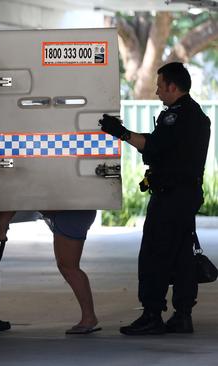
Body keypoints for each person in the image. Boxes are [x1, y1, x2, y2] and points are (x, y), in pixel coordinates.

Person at [100, 62, 211, 335]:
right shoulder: (197, 115)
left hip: (170, 198)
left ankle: (152, 314)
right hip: (186, 196)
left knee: (155, 254)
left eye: (160, 86)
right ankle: (183, 315)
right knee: (182, 255)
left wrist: (122, 133)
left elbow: (154, 146)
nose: (157, 91)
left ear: (173, 86)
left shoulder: (176, 116)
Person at [0, 210, 100, 334]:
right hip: (68, 212)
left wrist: (2, 222)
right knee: (68, 266)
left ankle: (89, 317)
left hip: (70, 213)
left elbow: (24, 193)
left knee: (69, 267)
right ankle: (89, 317)